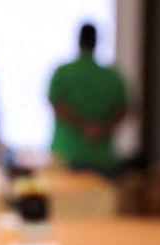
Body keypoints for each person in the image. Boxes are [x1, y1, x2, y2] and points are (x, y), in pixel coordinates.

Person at [47, 23, 127, 176]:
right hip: (101, 157)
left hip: (67, 154)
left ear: (78, 41)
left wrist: (82, 125)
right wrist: (101, 127)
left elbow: (56, 103)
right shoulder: (112, 76)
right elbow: (124, 109)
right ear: (97, 42)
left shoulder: (64, 73)